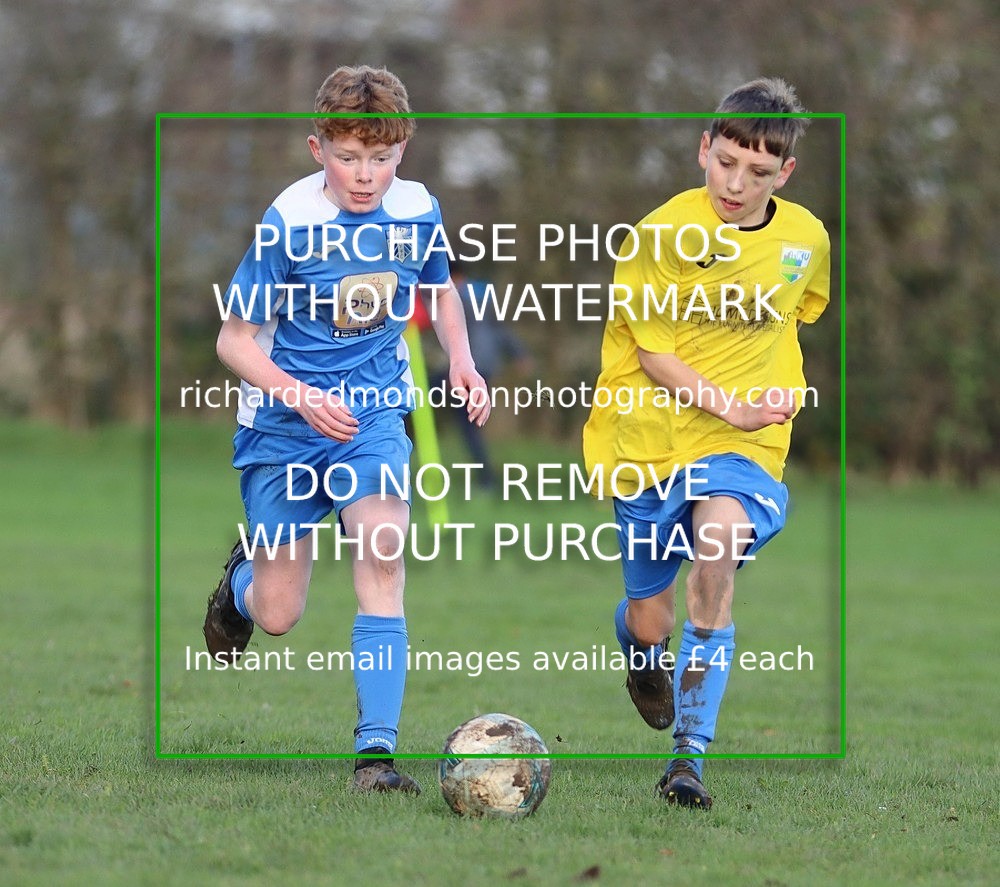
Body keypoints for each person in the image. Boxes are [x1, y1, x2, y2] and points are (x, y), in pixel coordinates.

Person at [203, 65, 489, 794]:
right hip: (282, 425)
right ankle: (238, 586)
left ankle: (376, 756)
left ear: (403, 153)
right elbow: (234, 342)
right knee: (277, 612)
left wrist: (461, 360)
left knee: (383, 552)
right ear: (316, 148)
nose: (366, 176)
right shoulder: (289, 224)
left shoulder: (418, 208)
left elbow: (440, 290)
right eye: (349, 157)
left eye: (382, 159)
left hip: (372, 418)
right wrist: (299, 396)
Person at [582, 78, 830, 808]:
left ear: (785, 173)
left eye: (758, 173)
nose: (737, 183)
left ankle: (687, 758)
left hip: (745, 450)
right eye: (726, 162)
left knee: (717, 549)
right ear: (704, 149)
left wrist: (766, 402)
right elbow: (655, 355)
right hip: (649, 444)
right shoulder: (659, 236)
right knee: (651, 618)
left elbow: (795, 311)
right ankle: (638, 650)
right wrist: (733, 402)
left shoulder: (807, 239)